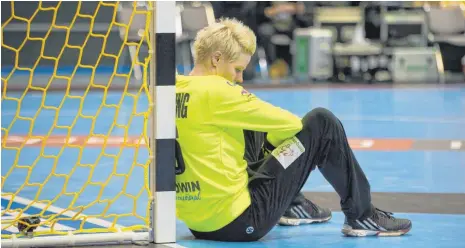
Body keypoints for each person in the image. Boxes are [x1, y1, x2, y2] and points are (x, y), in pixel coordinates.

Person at [175, 18, 412, 241]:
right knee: (321, 122)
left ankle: (292, 204)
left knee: (251, 126)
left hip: (198, 224)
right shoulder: (219, 90)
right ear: (216, 59)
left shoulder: (173, 88)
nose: (239, 78)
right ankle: (363, 215)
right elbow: (293, 126)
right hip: (241, 223)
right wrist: (283, 150)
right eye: (237, 69)